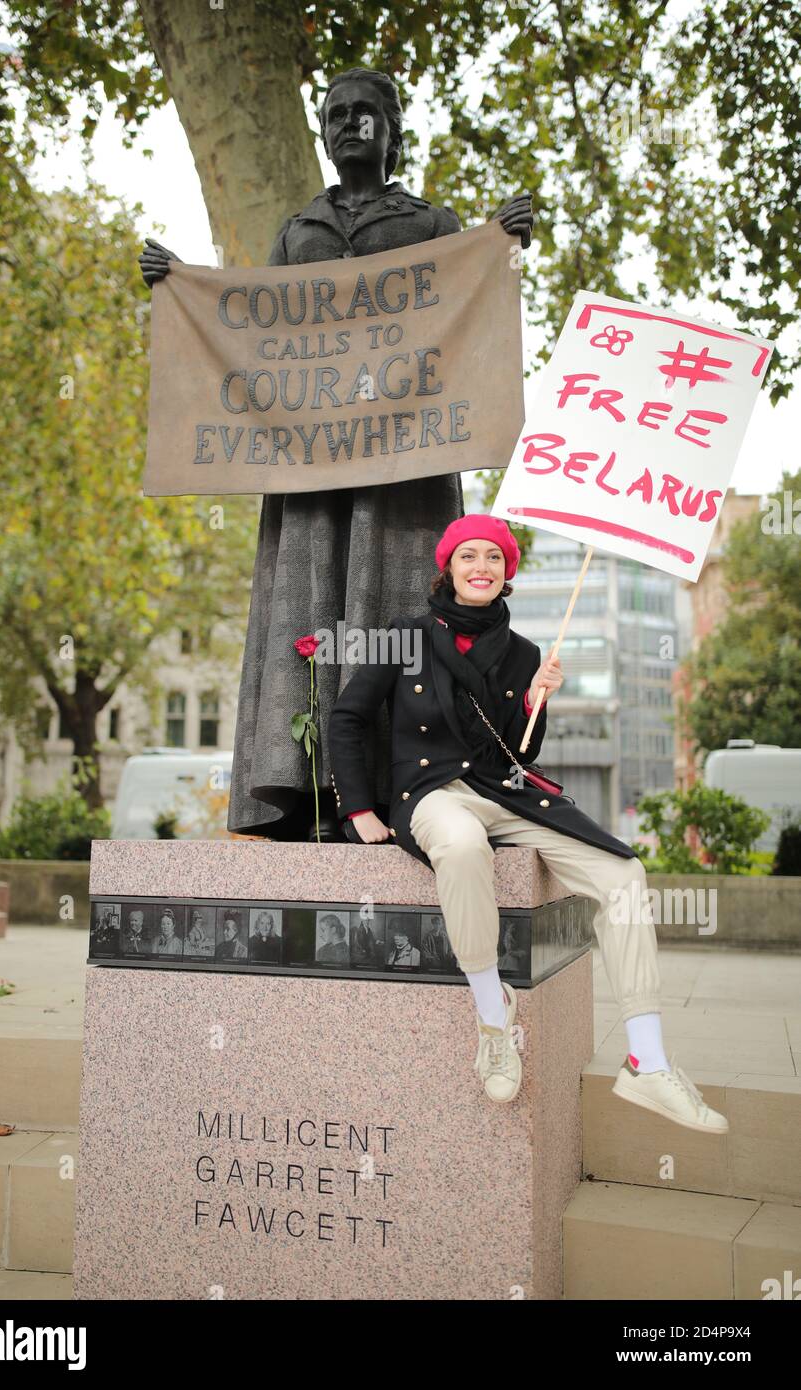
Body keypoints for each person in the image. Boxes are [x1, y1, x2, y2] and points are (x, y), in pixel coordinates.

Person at [138, 66, 533, 844]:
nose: (350, 125)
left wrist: (502, 244)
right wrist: (177, 283)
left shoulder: (430, 222)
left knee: (394, 610)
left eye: (366, 114)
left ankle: (402, 785)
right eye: (337, 115)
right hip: (309, 464)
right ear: (323, 132)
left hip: (404, 465)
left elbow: (471, 309)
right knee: (305, 611)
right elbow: (253, 332)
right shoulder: (297, 231)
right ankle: (299, 788)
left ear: (392, 131)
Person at [327, 513, 728, 1134]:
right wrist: (358, 809)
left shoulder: (523, 652)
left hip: (502, 794)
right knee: (459, 847)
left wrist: (540, 699)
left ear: (507, 571)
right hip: (430, 794)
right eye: (469, 557)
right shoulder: (403, 635)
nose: (481, 567)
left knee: (624, 871)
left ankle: (646, 1060)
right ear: (449, 568)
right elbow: (348, 718)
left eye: (494, 557)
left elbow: (520, 752)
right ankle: (494, 1015)